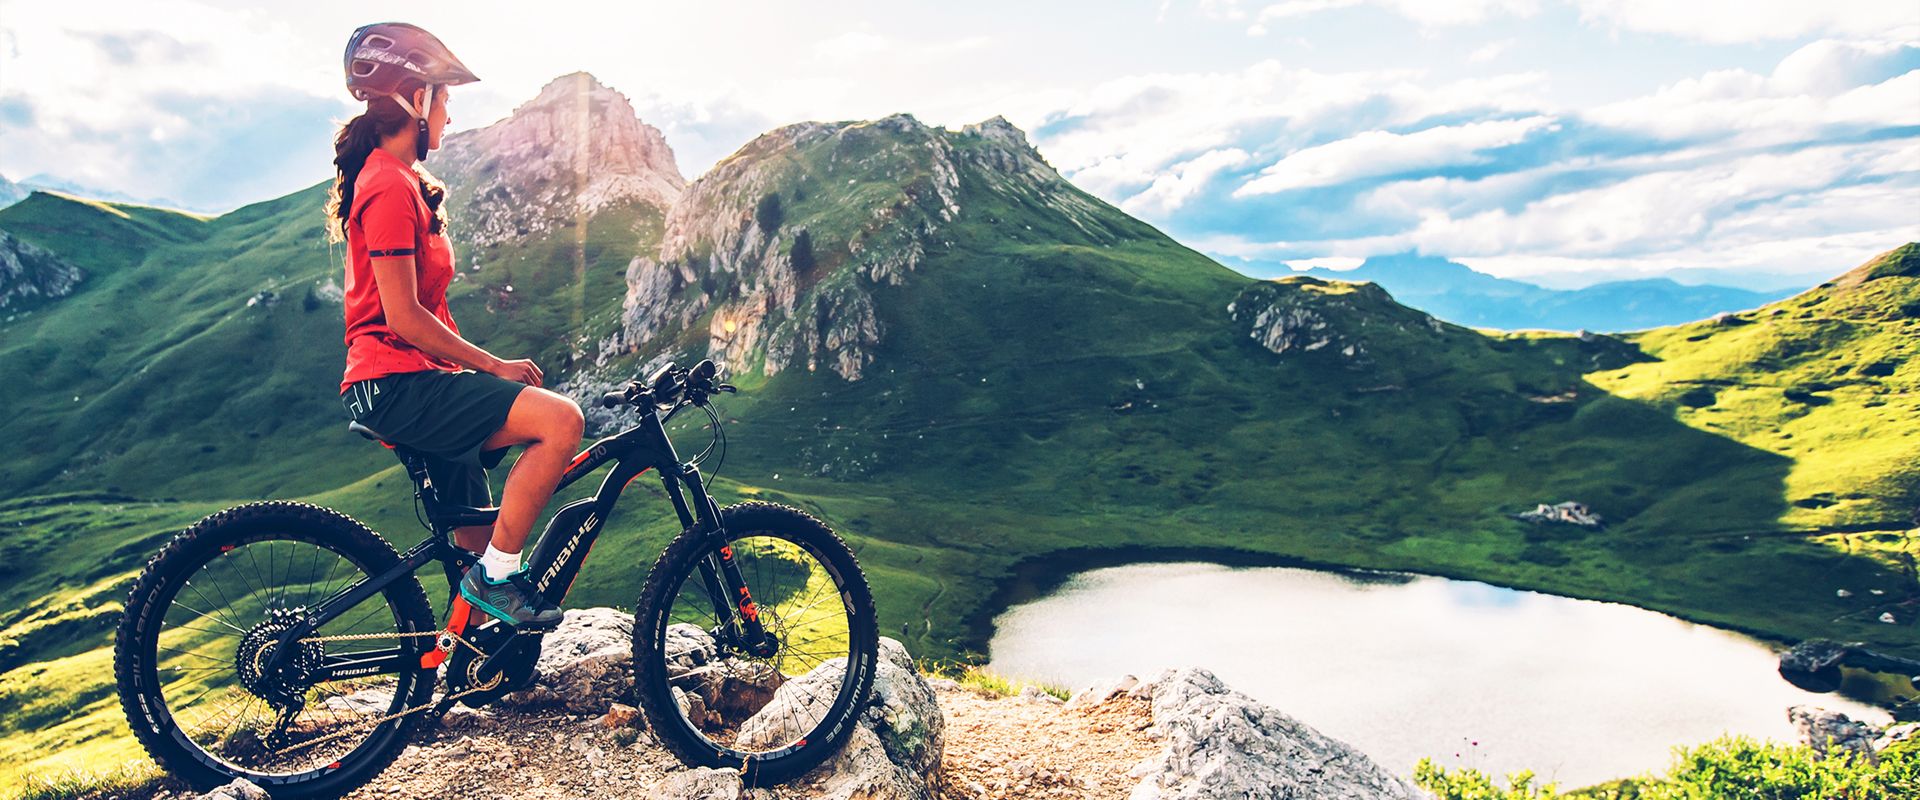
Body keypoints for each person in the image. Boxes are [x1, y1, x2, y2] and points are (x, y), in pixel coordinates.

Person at [327, 22, 581, 629]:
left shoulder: (400, 181)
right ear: (416, 100)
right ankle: (497, 579)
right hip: (399, 383)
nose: (448, 114)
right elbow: (403, 316)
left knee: (476, 536)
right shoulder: (387, 183)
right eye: (443, 99)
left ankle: (466, 658)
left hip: (413, 379)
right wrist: (492, 366)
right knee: (560, 421)